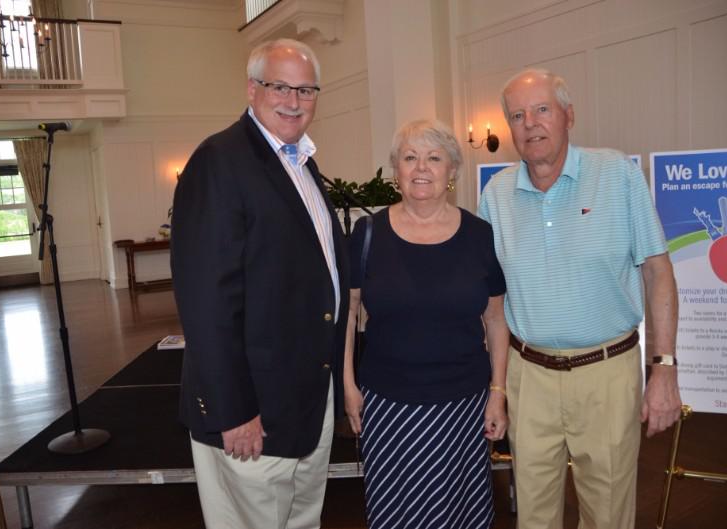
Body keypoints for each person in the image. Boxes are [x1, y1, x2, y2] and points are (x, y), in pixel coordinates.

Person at [478, 68, 682, 529]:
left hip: (607, 374)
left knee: (609, 512)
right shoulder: (495, 196)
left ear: (569, 115)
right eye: (517, 115)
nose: (530, 123)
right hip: (528, 379)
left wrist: (664, 368)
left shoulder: (617, 175)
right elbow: (492, 304)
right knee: (533, 514)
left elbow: (658, 271)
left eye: (542, 109)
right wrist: (498, 388)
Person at [170, 38, 349, 529]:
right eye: (280, 87)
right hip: (253, 414)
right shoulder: (219, 161)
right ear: (253, 89)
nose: (294, 101)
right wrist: (234, 411)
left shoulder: (300, 163)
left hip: (304, 403)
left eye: (306, 90)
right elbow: (206, 302)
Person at [344, 119, 510, 529]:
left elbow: (495, 318)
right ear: (396, 170)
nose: (422, 168)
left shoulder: (479, 235)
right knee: (397, 511)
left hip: (462, 406)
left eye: (434, 158)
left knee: (457, 510)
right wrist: (348, 386)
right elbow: (347, 314)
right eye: (410, 157)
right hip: (388, 406)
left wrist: (498, 392)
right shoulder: (366, 235)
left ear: (451, 171)